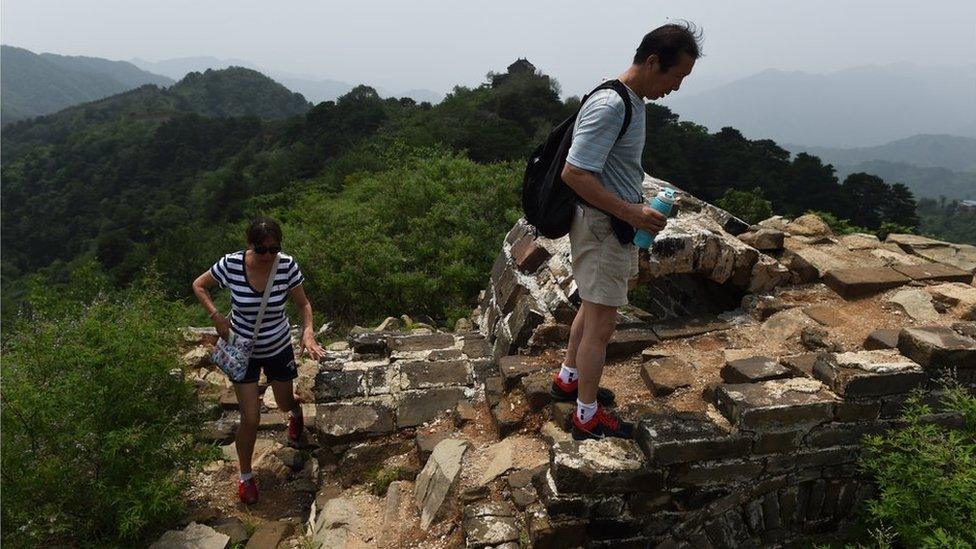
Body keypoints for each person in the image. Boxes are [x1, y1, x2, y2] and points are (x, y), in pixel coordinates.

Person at [549, 23, 701, 440]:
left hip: (603, 225)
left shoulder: (628, 99)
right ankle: (586, 415)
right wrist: (633, 213)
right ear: (653, 62)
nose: (676, 86)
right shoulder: (613, 105)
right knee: (602, 326)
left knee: (590, 307)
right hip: (602, 228)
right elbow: (575, 173)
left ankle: (568, 379)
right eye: (676, 76)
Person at [192, 216, 325, 504]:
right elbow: (199, 285)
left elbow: (303, 304)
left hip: (277, 346)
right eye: (261, 249)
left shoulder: (286, 265)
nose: (267, 255)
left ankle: (295, 413)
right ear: (250, 245)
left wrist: (308, 332)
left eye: (273, 249)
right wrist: (216, 317)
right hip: (242, 349)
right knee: (250, 418)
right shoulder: (231, 264)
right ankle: (245, 475)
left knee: (283, 401)